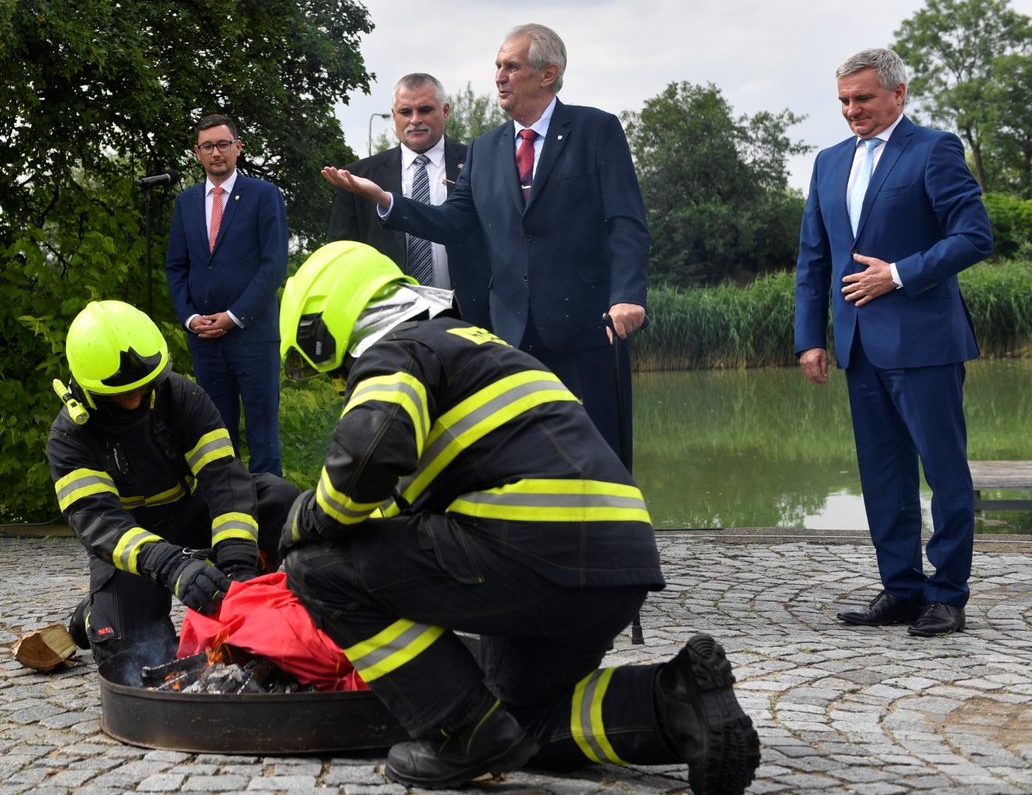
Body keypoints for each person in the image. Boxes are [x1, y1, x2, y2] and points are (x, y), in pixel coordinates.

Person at [275, 241, 758, 793]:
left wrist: (301, 523)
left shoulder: (397, 349)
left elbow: (365, 461)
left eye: (331, 370)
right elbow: (399, 510)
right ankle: (679, 702)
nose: (340, 384)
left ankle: (459, 734)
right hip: (616, 562)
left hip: (529, 547)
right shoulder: (480, 347)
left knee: (316, 564)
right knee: (518, 726)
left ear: (329, 326)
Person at [321, 24, 649, 458]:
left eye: (511, 67)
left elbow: (625, 222)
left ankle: (615, 527)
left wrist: (627, 296)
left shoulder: (596, 129)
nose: (499, 76)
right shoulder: (486, 148)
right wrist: (385, 199)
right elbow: (453, 222)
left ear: (547, 74)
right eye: (497, 66)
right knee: (527, 449)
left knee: (600, 446)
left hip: (588, 324)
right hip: (512, 329)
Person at [793, 49, 993, 638]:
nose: (852, 110)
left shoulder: (933, 149)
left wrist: (899, 273)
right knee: (883, 476)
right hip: (857, 345)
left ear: (898, 94)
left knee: (944, 473)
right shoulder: (829, 163)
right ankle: (902, 590)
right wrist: (810, 338)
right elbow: (814, 258)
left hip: (925, 341)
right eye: (844, 101)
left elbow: (975, 235)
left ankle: (947, 594)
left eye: (863, 98)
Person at [46, 300, 298, 664]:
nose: (135, 399)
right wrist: (172, 566)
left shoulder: (182, 396)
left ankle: (239, 598)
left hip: (188, 516)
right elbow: (103, 525)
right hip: (129, 546)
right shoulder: (70, 438)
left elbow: (225, 481)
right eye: (121, 394)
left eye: (144, 386)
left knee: (278, 497)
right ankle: (91, 615)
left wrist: (238, 565)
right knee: (134, 656)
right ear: (89, 388)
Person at [166, 113, 289, 477]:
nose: (216, 153)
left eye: (223, 144)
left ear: (238, 147)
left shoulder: (264, 196)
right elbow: (177, 267)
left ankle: (270, 518)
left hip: (252, 334)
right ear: (197, 152)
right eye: (208, 146)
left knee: (262, 434)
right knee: (216, 434)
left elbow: (273, 264)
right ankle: (228, 512)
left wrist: (234, 316)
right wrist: (189, 318)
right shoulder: (186, 203)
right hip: (204, 337)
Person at [328, 72, 490, 328]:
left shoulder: (480, 164)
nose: (415, 120)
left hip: (469, 320)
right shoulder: (358, 177)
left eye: (425, 110)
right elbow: (343, 256)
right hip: (388, 324)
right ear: (394, 115)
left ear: (445, 110)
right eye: (406, 112)